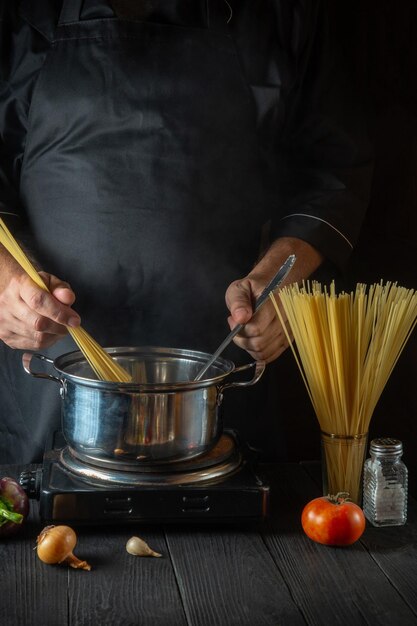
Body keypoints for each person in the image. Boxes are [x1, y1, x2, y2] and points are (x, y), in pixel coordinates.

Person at [0, 0, 371, 464]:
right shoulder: (17, 13)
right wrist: (6, 281)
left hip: (221, 383)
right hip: (52, 378)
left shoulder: (283, 13)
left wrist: (282, 281)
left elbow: (332, 171)